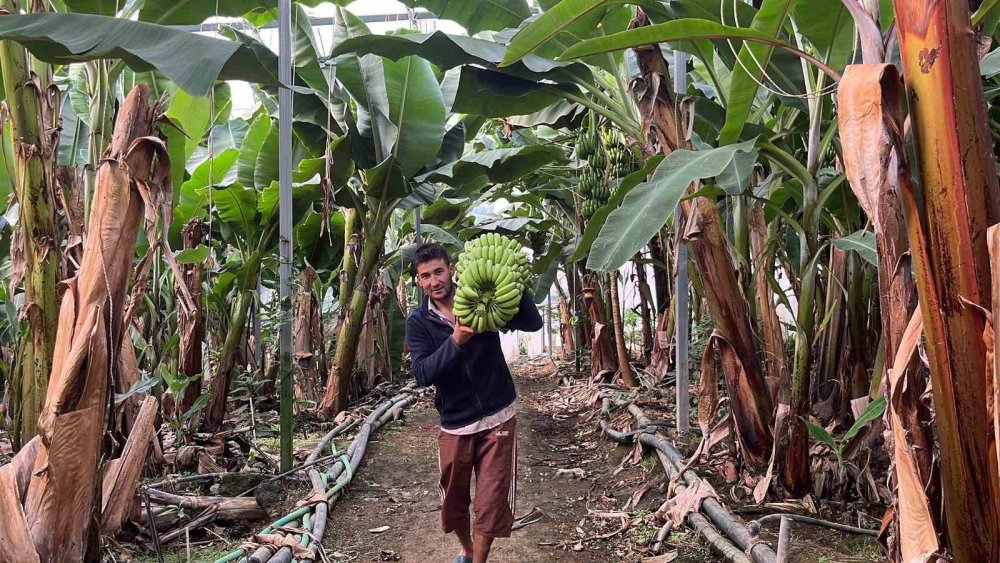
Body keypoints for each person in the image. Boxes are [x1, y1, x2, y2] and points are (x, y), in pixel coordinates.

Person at [405, 242, 543, 563]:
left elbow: (532, 324)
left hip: (498, 414)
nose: (434, 281)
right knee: (453, 502)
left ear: (451, 269)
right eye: (425, 276)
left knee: (490, 500)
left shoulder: (481, 297)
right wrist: (455, 341)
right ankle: (466, 549)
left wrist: (515, 285)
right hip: (456, 422)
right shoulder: (418, 323)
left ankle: (478, 561)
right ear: (418, 280)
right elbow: (423, 373)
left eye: (439, 272)